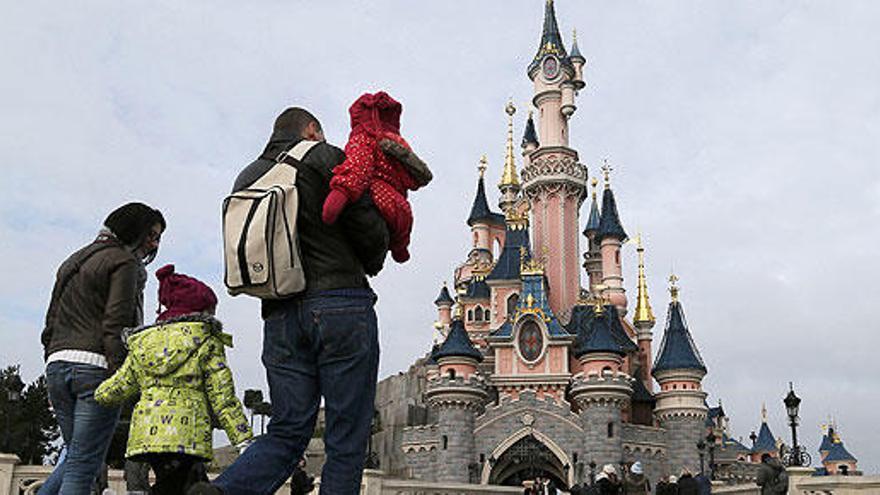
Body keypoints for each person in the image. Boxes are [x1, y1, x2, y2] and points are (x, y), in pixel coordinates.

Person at [189, 107, 389, 495]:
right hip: (339, 304)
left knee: (286, 430)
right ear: (311, 130)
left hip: (279, 315)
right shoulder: (323, 157)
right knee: (347, 436)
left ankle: (224, 492)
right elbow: (368, 230)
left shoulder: (247, 177)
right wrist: (380, 246)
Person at [39, 202, 165, 495]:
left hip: (57, 366)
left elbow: (51, 319)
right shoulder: (124, 262)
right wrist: (121, 373)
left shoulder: (73, 260)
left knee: (75, 457)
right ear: (134, 230)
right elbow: (117, 323)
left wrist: (50, 357)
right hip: (95, 369)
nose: (154, 244)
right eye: (152, 235)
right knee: (82, 467)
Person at [94, 264, 252, 495]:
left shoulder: (142, 345)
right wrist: (243, 439)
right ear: (201, 311)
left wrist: (95, 395)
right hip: (188, 437)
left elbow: (121, 384)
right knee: (187, 486)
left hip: (148, 436)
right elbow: (223, 397)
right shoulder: (207, 340)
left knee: (174, 484)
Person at [321, 91, 432, 263]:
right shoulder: (397, 145)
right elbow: (409, 179)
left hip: (375, 200)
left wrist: (340, 193)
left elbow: (358, 168)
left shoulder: (363, 138)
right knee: (401, 225)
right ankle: (399, 247)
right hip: (400, 210)